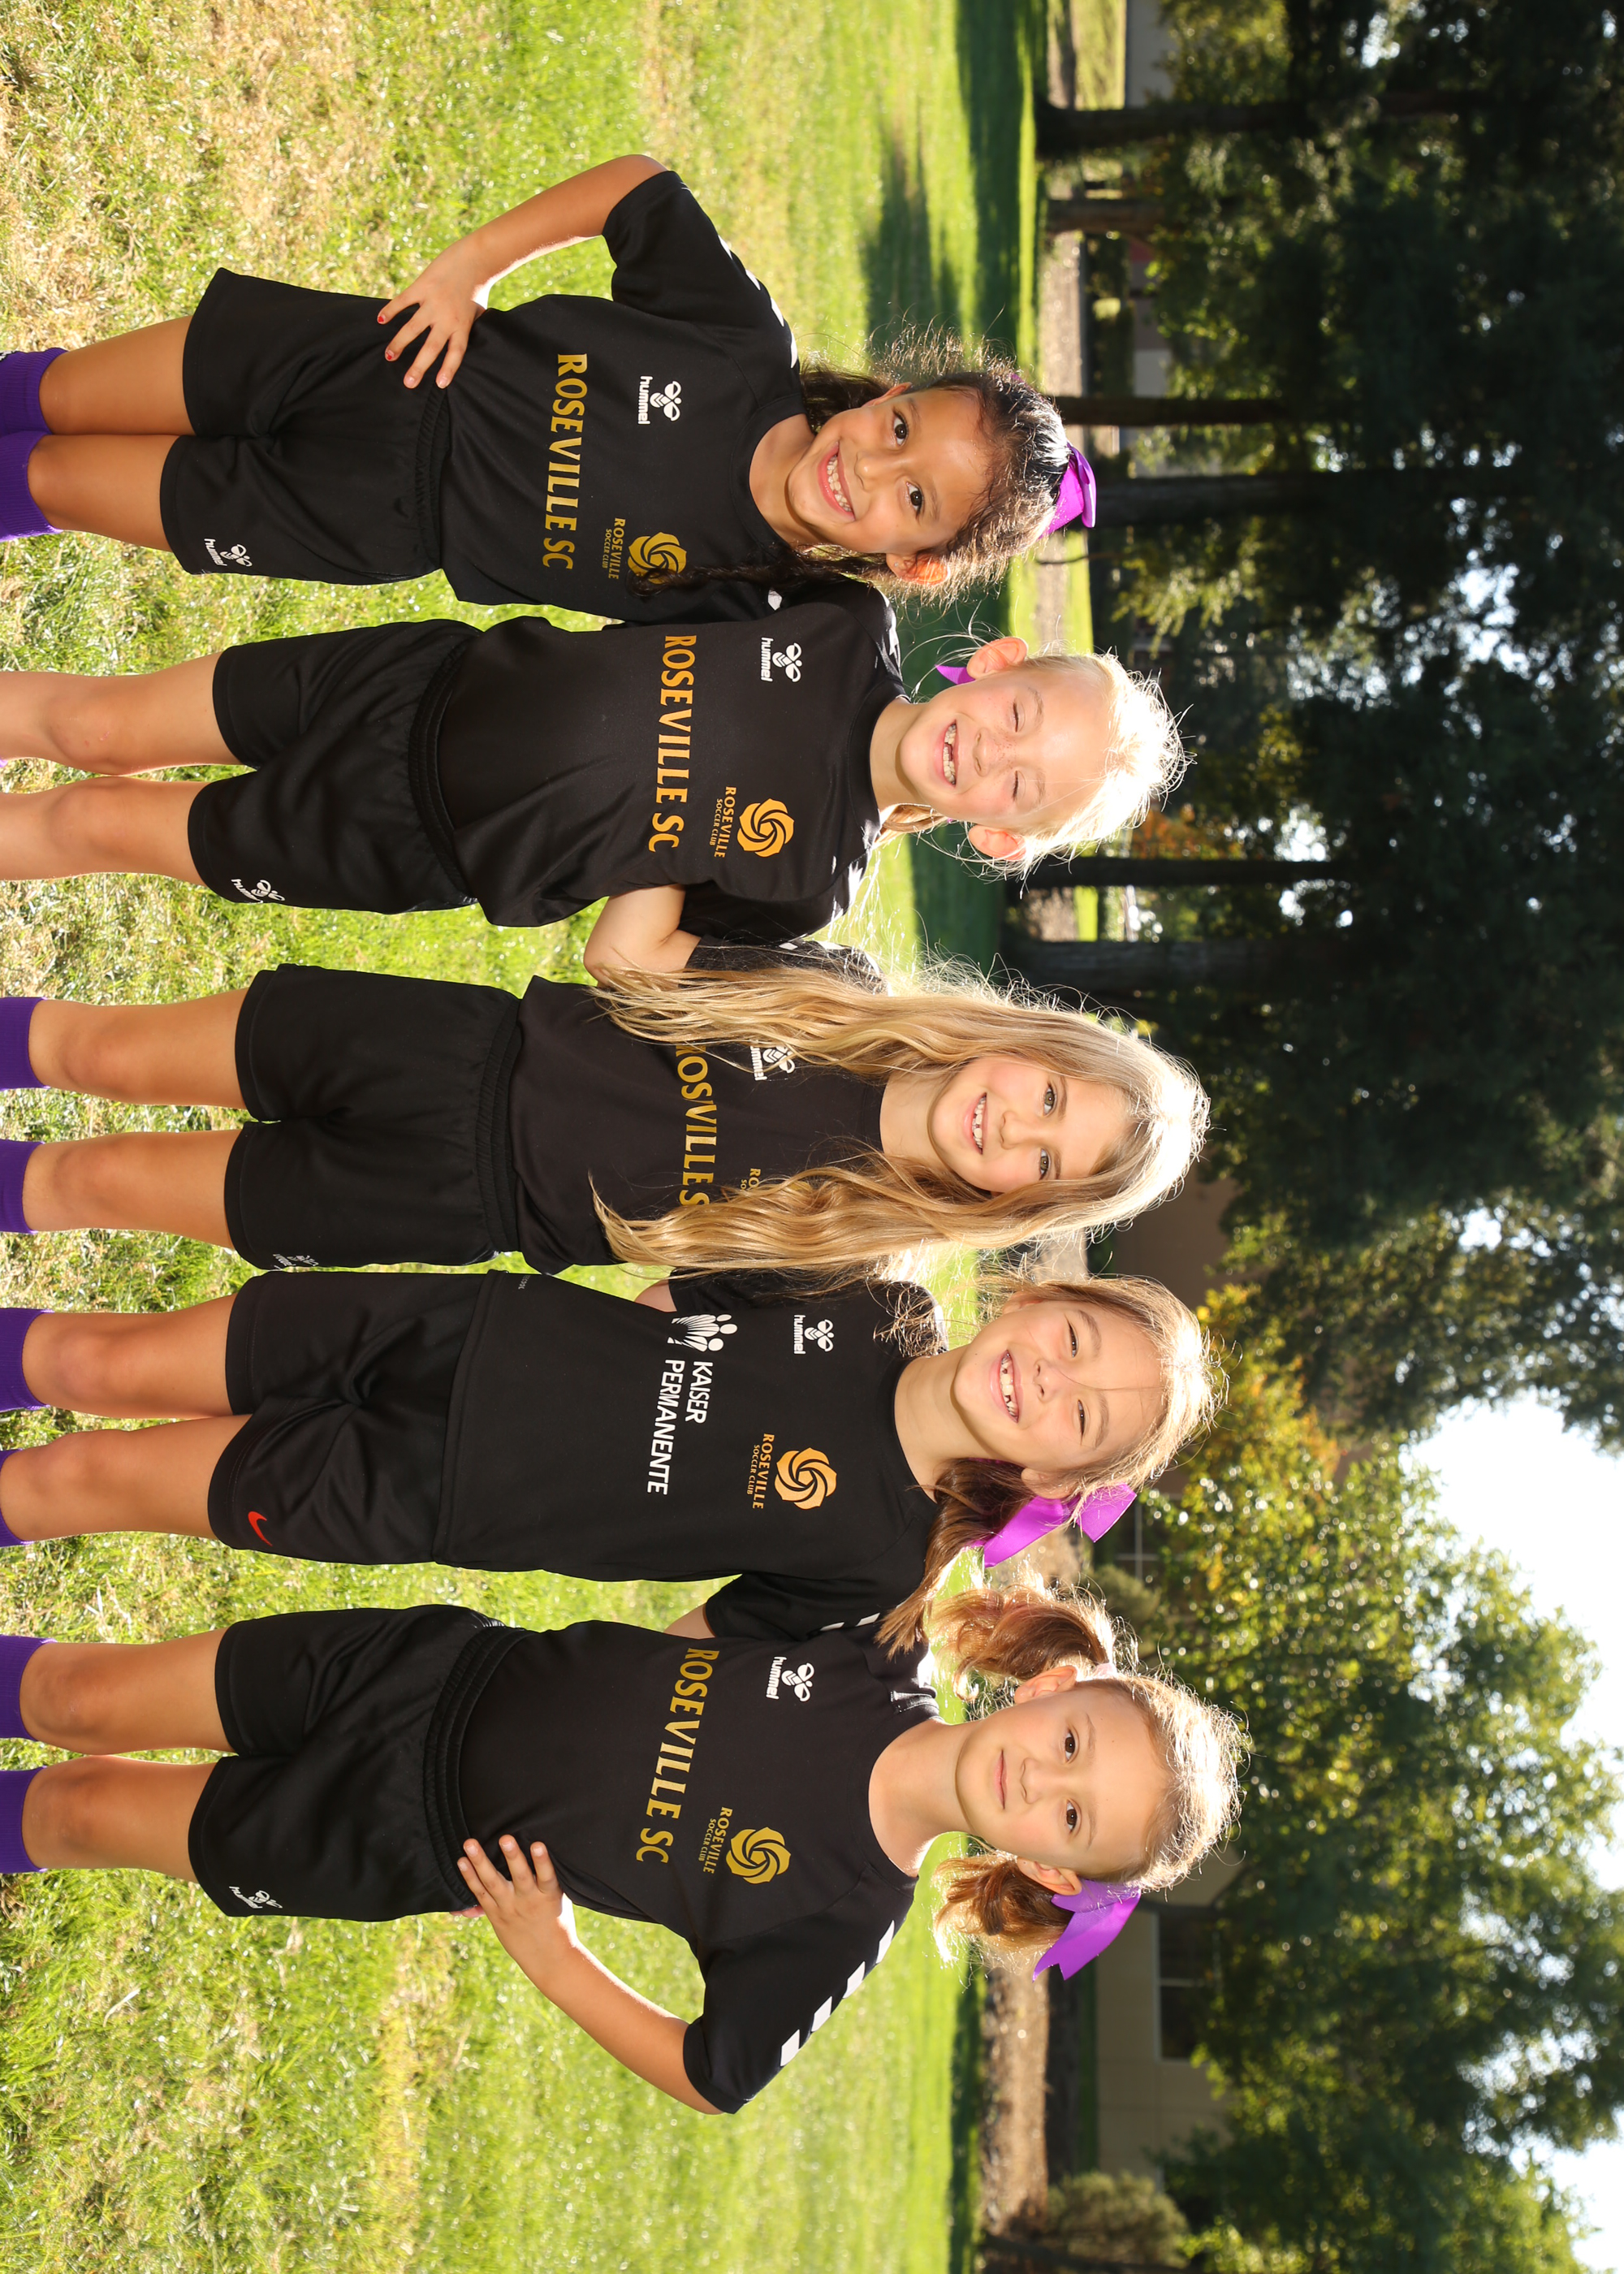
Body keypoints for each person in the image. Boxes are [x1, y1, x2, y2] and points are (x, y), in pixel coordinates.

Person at [0, 1581, 1242, 2111]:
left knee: (82, 1816)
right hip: (429, 1667)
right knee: (81, 1697)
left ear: (1053, 1871)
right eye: (1072, 1743)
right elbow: (727, 1613)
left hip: (399, 1839)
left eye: (1071, 1818)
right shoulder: (875, 1637)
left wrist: (552, 1955)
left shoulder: (839, 1918)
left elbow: (715, 2073)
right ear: (1055, 1687)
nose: (1042, 1779)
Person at [0, 157, 1086, 613]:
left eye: (914, 496)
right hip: (385, 360)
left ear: (913, 559)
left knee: (55, 481)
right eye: (900, 428)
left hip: (361, 522)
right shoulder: (741, 348)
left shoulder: (748, 603)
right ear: (885, 394)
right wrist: (470, 268)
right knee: (58, 399)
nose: (872, 465)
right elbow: (637, 189)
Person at [0, 1265, 1216, 1645]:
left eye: (1080, 1419)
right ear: (1043, 1298)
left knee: (92, 1481)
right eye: (1073, 1342)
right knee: (104, 1362)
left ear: (1053, 1480)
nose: (1048, 1380)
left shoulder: (875, 1563)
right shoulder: (878, 1302)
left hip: (431, 1495)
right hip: (447, 1330)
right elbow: (674, 1294)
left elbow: (685, 1650)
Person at [0, 590, 1177, 933]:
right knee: (101, 729)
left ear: (999, 836)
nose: (991, 751)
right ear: (999, 663)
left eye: (1020, 785)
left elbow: (635, 949)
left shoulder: (812, 881)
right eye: (1019, 713)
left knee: (103, 826)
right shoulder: (839, 619)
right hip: (415, 679)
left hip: (410, 845)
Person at [0, 943, 1207, 1277]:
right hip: (451, 1050)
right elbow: (629, 961)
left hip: (447, 1206)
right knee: (105, 1050)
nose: (1016, 1128)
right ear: (1028, 1043)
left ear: (1022, 1206)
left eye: (1045, 1163)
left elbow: (661, 1328)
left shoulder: (850, 1257)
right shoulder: (833, 989)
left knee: (102, 1184)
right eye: (1050, 1096)